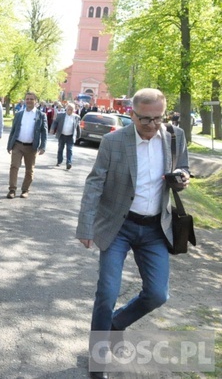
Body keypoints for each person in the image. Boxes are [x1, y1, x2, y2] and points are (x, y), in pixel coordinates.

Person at [76, 88, 190, 379]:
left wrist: (183, 178)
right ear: (132, 114)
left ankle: (115, 325)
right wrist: (86, 226)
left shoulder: (175, 137)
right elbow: (94, 184)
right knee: (107, 292)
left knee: (157, 294)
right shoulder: (115, 141)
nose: (152, 126)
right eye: (144, 120)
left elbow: (183, 168)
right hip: (119, 226)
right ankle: (97, 359)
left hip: (155, 228)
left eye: (157, 119)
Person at [6, 92, 47, 199]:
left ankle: (25, 190)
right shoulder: (19, 114)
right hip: (17, 145)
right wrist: (9, 145)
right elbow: (13, 130)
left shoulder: (40, 115)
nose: (29, 101)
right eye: (27, 99)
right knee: (14, 166)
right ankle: (12, 189)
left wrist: (43, 146)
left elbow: (44, 131)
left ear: (36, 101)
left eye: (31, 99)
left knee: (29, 170)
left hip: (31, 147)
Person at [49, 102, 81, 170]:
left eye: (71, 109)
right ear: (66, 109)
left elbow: (78, 127)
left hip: (70, 136)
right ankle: (59, 161)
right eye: (68, 109)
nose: (69, 111)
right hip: (62, 135)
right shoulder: (61, 115)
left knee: (69, 149)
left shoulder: (76, 117)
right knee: (60, 148)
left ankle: (69, 163)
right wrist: (52, 128)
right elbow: (55, 122)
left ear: (74, 110)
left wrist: (78, 135)